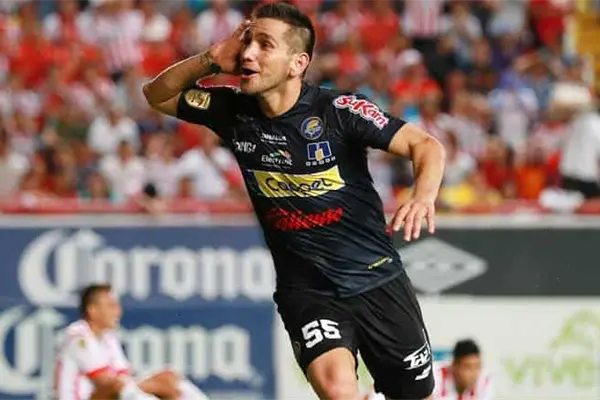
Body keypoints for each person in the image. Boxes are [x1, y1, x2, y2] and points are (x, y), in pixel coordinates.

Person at [143, 3, 445, 399]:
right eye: (247, 42)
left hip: (377, 280)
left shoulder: (339, 111)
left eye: (264, 45)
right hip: (308, 290)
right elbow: (157, 94)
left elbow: (426, 145)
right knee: (337, 390)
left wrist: (423, 196)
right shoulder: (233, 110)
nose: (248, 53)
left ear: (297, 63)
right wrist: (210, 59)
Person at [53, 284, 209, 400]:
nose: (118, 312)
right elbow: (106, 383)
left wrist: (162, 383)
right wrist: (156, 387)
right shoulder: (79, 338)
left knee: (168, 376)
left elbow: (123, 376)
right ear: (92, 310)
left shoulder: (108, 338)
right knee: (118, 387)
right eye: (111, 306)